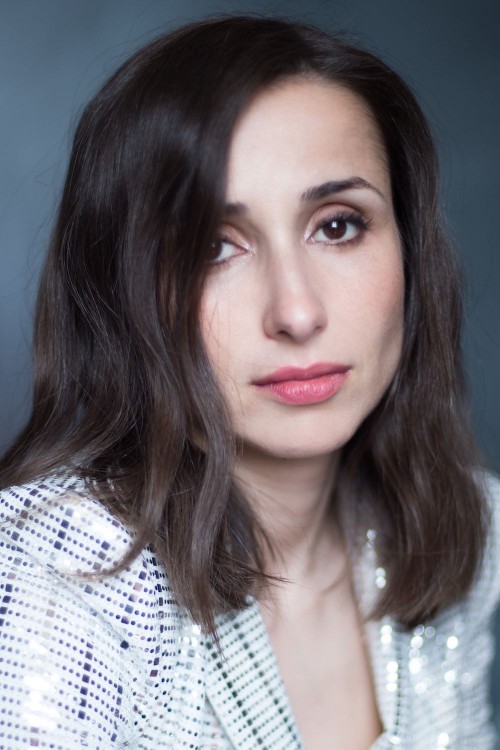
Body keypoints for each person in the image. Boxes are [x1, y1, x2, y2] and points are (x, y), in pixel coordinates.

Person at [0, 14, 498, 749]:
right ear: (125, 289)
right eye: (214, 247)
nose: (297, 312)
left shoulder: (464, 529)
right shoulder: (61, 574)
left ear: (410, 249)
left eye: (338, 226)